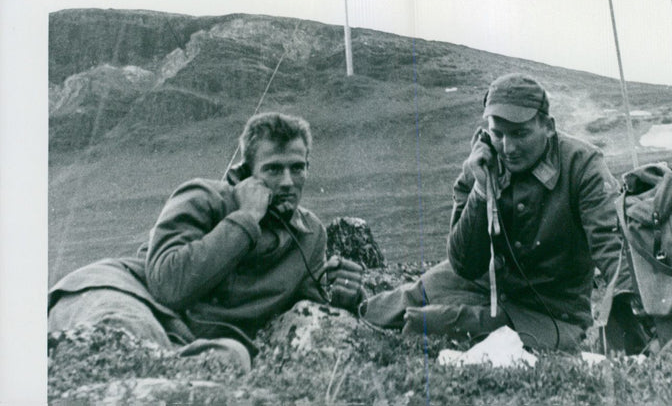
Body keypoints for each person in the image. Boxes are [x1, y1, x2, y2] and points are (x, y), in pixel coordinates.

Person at [48, 112, 365, 372]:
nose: (287, 182)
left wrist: (344, 294)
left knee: (230, 359)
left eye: (297, 168)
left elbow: (307, 303)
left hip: (187, 338)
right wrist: (245, 218)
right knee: (124, 337)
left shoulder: (310, 234)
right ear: (244, 173)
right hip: (125, 295)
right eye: (272, 169)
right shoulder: (202, 197)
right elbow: (169, 286)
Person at [361, 74, 640, 351]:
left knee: (434, 323)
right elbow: (464, 264)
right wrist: (482, 189)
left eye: (520, 133)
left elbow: (612, 249)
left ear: (548, 127)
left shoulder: (583, 166)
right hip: (481, 285)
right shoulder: (482, 161)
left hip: (550, 310)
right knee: (385, 309)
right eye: (498, 133)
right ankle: (351, 304)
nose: (508, 148)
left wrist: (637, 326)